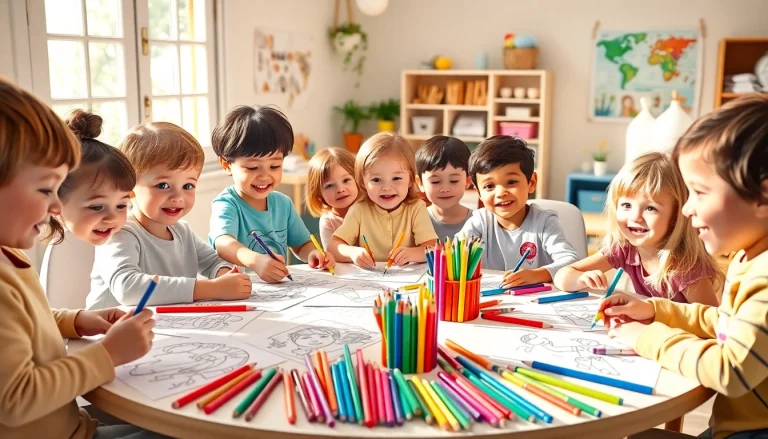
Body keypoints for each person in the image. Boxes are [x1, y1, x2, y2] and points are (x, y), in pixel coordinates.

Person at [0, 76, 159, 439]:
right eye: (45, 189)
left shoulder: (8, 255)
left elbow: (26, 322)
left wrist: (77, 320)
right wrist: (108, 354)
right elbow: (16, 400)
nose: (56, 205)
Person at [604, 95, 768, 439]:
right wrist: (654, 310)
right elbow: (725, 324)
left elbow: (730, 370)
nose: (687, 209)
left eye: (698, 193)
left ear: (763, 197)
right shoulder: (748, 257)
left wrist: (646, 336)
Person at [87, 122, 252, 310]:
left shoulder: (182, 231)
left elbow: (213, 261)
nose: (177, 197)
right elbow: (128, 288)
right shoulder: (119, 233)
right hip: (108, 334)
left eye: (188, 186)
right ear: (129, 188)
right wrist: (210, 288)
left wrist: (226, 275)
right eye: (163, 185)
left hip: (164, 331)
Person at [555, 152, 722, 305]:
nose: (635, 217)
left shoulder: (685, 268)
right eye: (626, 205)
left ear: (675, 216)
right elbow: (563, 275)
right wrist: (580, 279)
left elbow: (710, 323)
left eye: (650, 208)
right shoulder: (625, 249)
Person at [209, 105, 333, 283]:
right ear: (227, 165)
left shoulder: (283, 203)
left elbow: (301, 244)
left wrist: (314, 253)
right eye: (252, 167)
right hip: (240, 289)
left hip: (279, 290)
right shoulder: (227, 204)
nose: (265, 175)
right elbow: (223, 243)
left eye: (274, 166)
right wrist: (256, 261)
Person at [459, 135, 577, 288]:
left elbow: (571, 260)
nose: (501, 193)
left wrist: (537, 275)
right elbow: (453, 254)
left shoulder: (544, 222)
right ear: (478, 192)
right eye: (489, 186)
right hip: (491, 299)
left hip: (536, 301)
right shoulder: (479, 221)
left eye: (511, 182)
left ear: (531, 182)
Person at [328, 132, 438, 267]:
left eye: (396, 178)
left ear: (410, 179)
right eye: (376, 180)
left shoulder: (416, 207)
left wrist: (413, 253)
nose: (386, 187)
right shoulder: (358, 210)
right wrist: (352, 252)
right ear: (362, 182)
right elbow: (333, 247)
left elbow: (434, 249)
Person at [415, 136, 473, 241]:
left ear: (468, 181)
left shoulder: (478, 221)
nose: (445, 189)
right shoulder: (415, 220)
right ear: (420, 183)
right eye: (435, 181)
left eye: (454, 180)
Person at [305, 147, 358, 248]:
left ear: (357, 178)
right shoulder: (328, 221)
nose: (340, 189)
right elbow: (332, 254)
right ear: (318, 193)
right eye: (329, 185)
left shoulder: (369, 209)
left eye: (346, 180)